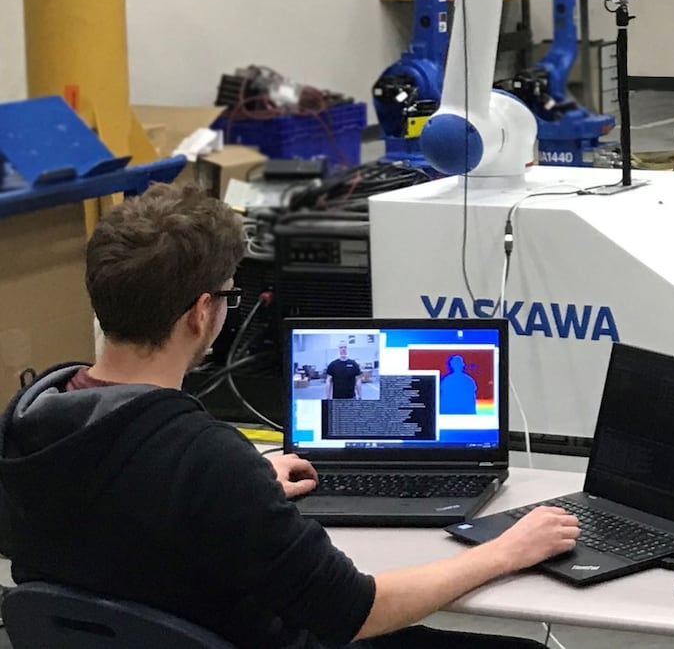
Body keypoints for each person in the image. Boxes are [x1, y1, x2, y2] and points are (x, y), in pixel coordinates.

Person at [0, 184, 579, 649]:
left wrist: (245, 488)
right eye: (229, 293)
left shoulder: (33, 418)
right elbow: (356, 612)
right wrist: (507, 550)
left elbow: (125, 514)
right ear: (202, 313)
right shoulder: (204, 460)